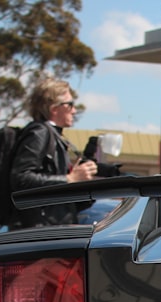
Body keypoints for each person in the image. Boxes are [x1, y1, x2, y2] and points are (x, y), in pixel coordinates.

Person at [10, 78, 97, 227]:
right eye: (70, 105)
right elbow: (21, 178)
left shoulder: (52, 134)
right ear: (54, 108)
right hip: (43, 233)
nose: (74, 111)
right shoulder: (40, 133)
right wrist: (70, 179)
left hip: (54, 229)